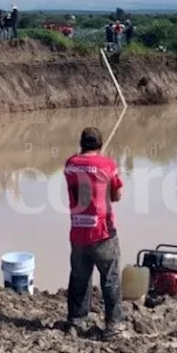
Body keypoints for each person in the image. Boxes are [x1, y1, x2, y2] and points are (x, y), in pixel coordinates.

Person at [63, 127, 126, 340]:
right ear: (100, 144)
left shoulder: (70, 164)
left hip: (78, 231)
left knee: (79, 277)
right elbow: (117, 194)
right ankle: (113, 326)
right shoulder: (107, 164)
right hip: (102, 231)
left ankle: (75, 322)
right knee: (110, 278)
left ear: (81, 143)